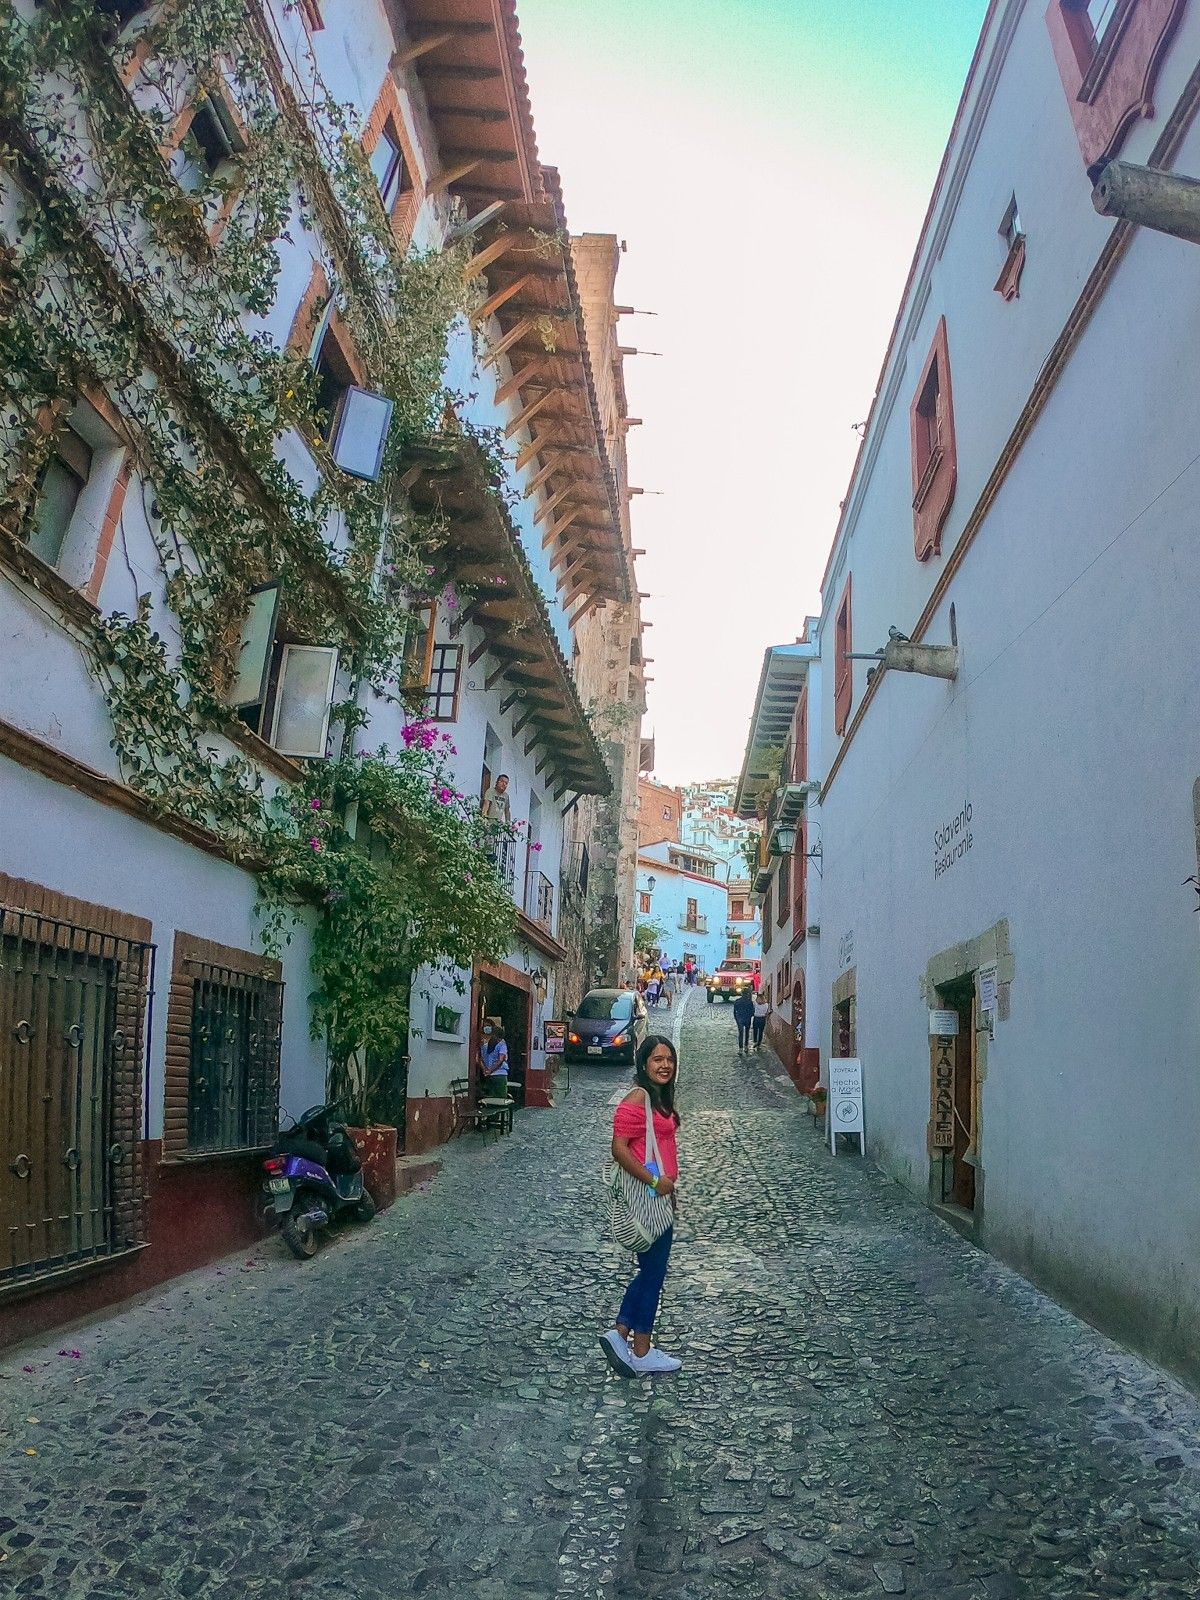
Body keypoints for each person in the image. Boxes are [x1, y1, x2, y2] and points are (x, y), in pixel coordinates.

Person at [600, 1036, 682, 1377]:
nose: (665, 1065)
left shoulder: (658, 1096)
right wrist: (654, 1182)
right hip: (647, 1198)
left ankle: (621, 1334)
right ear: (644, 1063)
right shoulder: (638, 1097)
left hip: (660, 1197)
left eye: (669, 1059)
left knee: (650, 1272)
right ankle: (641, 1349)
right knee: (653, 1274)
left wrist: (666, 1188)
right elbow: (619, 1148)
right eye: (657, 1059)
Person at [478, 1018, 509, 1092]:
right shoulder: (502, 1045)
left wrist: (485, 1071)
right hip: (500, 1074)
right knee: (500, 1097)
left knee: (490, 1096)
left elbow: (479, 1059)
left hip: (488, 1075)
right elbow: (501, 1060)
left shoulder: (484, 1045)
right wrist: (491, 1070)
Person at [732, 989, 754, 1056]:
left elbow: (734, 1011)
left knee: (740, 1034)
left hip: (739, 1019)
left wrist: (736, 1019)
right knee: (747, 1033)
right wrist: (749, 1016)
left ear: (741, 993)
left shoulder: (737, 1001)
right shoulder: (749, 1002)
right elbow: (752, 1011)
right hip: (747, 1019)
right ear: (747, 994)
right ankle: (746, 1047)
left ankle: (740, 1049)